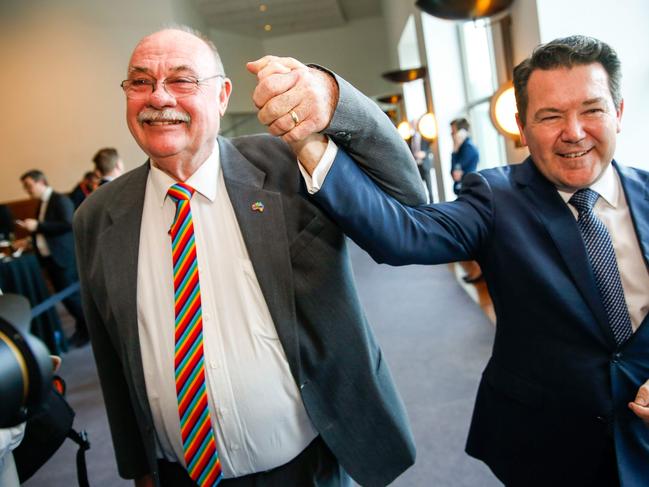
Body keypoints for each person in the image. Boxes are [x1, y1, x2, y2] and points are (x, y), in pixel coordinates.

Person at [288, 36, 649, 486]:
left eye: (591, 110)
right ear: (520, 125)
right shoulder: (495, 198)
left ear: (618, 111)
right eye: (550, 116)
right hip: (547, 446)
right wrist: (308, 145)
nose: (573, 131)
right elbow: (401, 235)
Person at [73, 26, 426, 487]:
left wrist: (333, 96)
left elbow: (406, 197)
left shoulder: (286, 164)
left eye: (182, 80)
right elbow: (112, 353)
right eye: (140, 82)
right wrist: (139, 467)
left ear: (221, 96)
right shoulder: (98, 216)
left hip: (304, 468)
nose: (159, 97)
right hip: (179, 476)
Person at [17, 170, 88, 347]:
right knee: (66, 298)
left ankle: (87, 331)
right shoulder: (42, 203)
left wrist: (38, 226)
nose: (27, 190)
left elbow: (67, 224)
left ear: (41, 182)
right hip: (50, 259)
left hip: (64, 258)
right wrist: (29, 239)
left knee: (73, 297)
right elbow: (45, 231)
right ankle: (83, 328)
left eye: (29, 185)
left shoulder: (59, 200)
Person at [449, 117, 479, 195]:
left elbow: (455, 173)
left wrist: (455, 148)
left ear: (461, 132)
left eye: (453, 131)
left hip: (468, 191)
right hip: (463, 190)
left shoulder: (468, 148)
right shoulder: (461, 147)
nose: (451, 134)